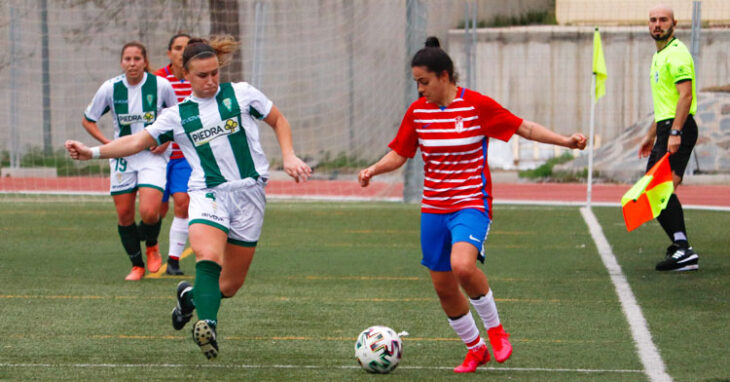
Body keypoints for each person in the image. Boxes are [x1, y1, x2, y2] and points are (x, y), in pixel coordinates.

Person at [67, 35, 312, 359]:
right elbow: (137, 141)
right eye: (202, 75)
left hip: (250, 195)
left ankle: (190, 298)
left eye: (214, 73)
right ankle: (207, 325)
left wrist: (290, 155)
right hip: (207, 193)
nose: (211, 81)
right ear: (186, 76)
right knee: (208, 257)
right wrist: (93, 152)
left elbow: (278, 120)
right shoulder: (178, 116)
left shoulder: (242, 94)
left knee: (229, 286)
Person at [358, 37, 587, 373]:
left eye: (424, 82)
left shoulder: (476, 106)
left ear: (445, 76)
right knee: (443, 287)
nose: (420, 90)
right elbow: (401, 153)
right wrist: (373, 169)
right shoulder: (417, 113)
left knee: (463, 267)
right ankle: (475, 348)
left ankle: (496, 331)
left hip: (470, 203)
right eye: (416, 83)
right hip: (433, 209)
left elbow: (523, 126)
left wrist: (565, 141)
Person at [82, 41, 178, 281]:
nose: (132, 64)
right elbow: (88, 119)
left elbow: (178, 117)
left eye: (137, 59)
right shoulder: (110, 88)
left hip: (152, 156)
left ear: (145, 61)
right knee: (124, 214)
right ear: (122, 62)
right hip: (122, 156)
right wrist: (107, 144)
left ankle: (152, 244)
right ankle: (137, 266)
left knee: (149, 211)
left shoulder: (161, 85)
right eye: (128, 59)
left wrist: (165, 142)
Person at [639, 4, 699, 272]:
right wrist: (650, 135)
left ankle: (684, 249)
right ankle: (681, 246)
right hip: (666, 128)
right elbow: (667, 103)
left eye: (663, 20)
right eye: (653, 20)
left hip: (679, 129)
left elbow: (685, 96)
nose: (657, 24)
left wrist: (675, 132)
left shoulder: (677, 54)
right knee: (656, 192)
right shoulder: (659, 55)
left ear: (675, 23)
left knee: (657, 191)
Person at [154, 33, 193, 275]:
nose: (182, 52)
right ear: (169, 53)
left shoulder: (197, 79)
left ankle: (174, 260)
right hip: (157, 155)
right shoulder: (157, 80)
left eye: (186, 48)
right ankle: (152, 248)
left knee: (183, 202)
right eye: (177, 48)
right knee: (156, 210)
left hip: (184, 156)